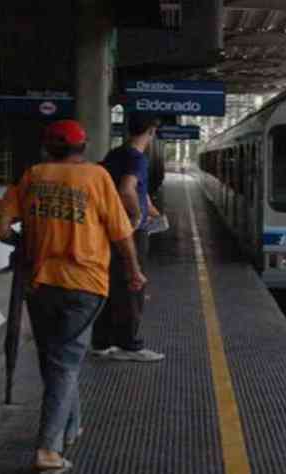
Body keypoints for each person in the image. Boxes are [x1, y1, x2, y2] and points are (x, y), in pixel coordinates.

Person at [0, 120, 146, 471]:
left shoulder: (32, 176)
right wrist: (134, 272)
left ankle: (70, 427)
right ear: (84, 146)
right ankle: (47, 449)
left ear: (48, 147)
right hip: (84, 284)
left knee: (56, 359)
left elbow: (0, 229)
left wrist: (25, 245)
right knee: (64, 362)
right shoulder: (96, 178)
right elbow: (121, 235)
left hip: (41, 283)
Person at [91, 113, 165, 362]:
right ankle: (129, 345)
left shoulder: (115, 154)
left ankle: (101, 341)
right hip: (130, 232)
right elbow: (127, 189)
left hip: (107, 228)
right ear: (151, 132)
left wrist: (151, 210)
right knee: (133, 286)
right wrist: (136, 217)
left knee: (110, 285)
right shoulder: (137, 158)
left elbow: (132, 190)